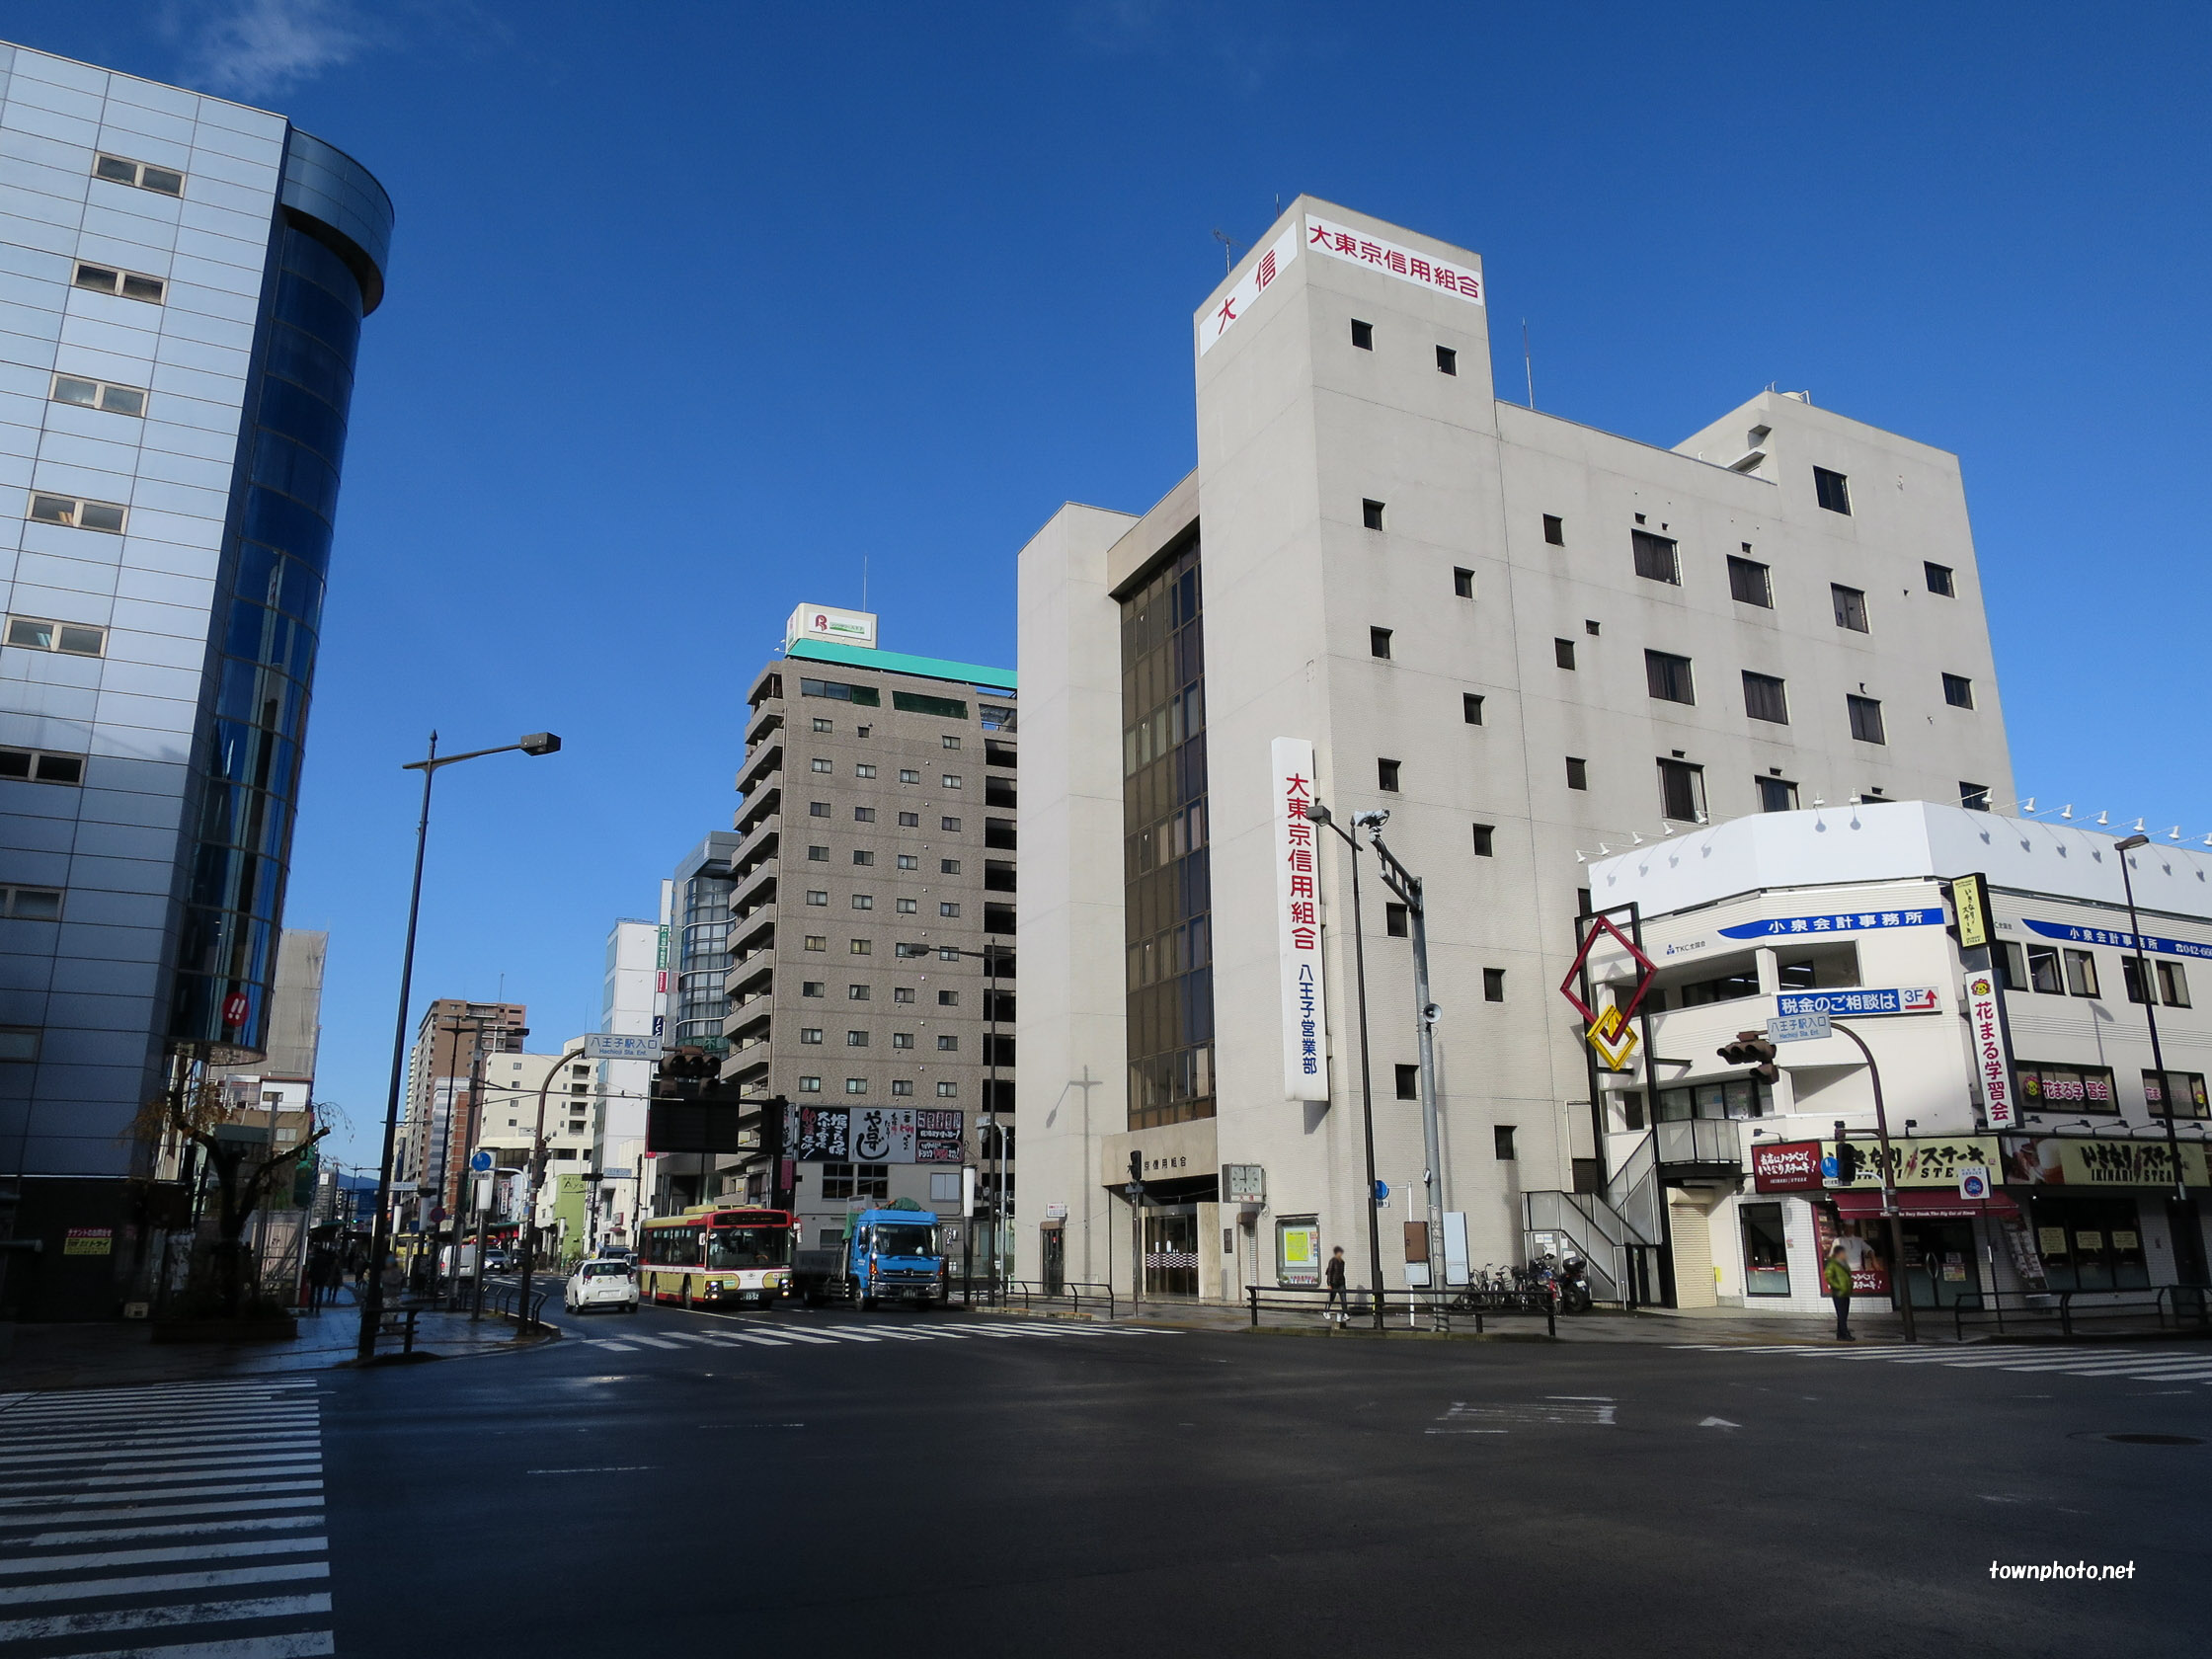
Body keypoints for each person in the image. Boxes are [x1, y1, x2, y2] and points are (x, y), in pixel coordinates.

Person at [1824, 1240, 1856, 1341]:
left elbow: (1848, 1276)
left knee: (1843, 1314)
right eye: (1842, 1253)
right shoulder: (1832, 1264)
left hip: (1846, 1292)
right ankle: (1845, 1334)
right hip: (1838, 1292)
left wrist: (1850, 1284)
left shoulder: (1844, 1264)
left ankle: (1840, 1334)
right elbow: (1828, 1277)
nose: (1844, 1255)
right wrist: (1838, 1286)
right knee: (1841, 1314)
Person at [1324, 1246, 1349, 1324]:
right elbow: (1330, 1272)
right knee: (1332, 1297)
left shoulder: (1342, 1262)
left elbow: (1342, 1272)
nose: (1340, 1254)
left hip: (1341, 1282)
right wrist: (1329, 1283)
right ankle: (1326, 1311)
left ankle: (1345, 1313)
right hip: (1334, 1282)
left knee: (1344, 1298)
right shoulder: (1333, 1261)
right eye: (1339, 1252)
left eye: (1341, 1252)